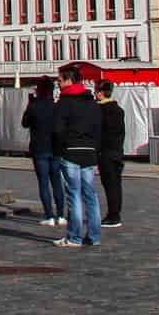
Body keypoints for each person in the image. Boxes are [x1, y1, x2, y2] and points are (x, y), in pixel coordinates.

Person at [51, 64, 102, 248]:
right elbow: (98, 128)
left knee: (74, 195)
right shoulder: (91, 102)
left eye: (60, 81)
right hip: (89, 152)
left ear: (69, 80)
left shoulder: (64, 102)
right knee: (91, 195)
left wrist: (62, 147)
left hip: (71, 151)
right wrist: (95, 149)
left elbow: (57, 130)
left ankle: (74, 237)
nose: (58, 84)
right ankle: (94, 236)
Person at [21, 76, 64, 226]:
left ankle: (49, 215)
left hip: (40, 148)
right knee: (57, 181)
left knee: (44, 182)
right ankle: (61, 214)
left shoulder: (34, 106)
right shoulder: (57, 106)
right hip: (55, 148)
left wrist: (29, 106)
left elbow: (25, 123)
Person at [95, 79, 125, 228]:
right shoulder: (118, 110)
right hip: (118, 151)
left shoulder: (100, 110)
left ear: (100, 93)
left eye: (96, 91)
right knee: (116, 185)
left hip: (105, 153)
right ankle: (115, 213)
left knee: (109, 185)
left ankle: (113, 216)